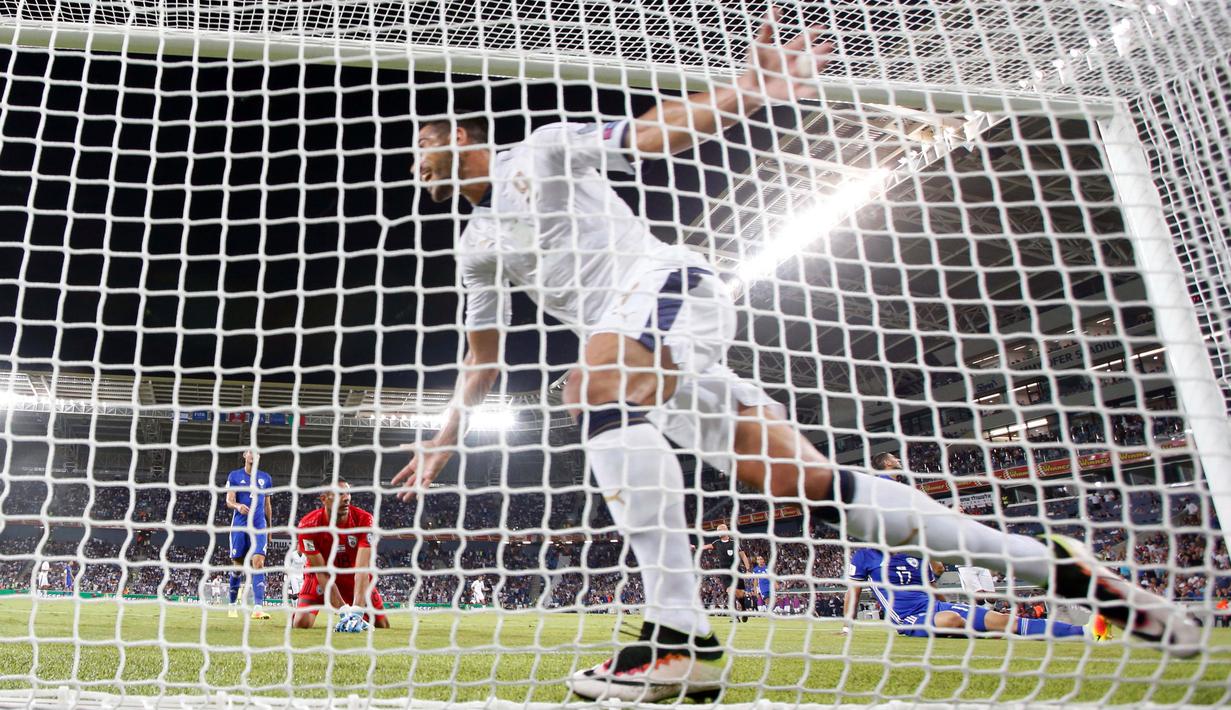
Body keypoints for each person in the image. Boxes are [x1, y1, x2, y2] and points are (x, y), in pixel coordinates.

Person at [394, 12, 1197, 702]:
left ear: (457, 135)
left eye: (420, 145)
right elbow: (482, 355)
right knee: (805, 484)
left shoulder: (539, 152)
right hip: (654, 357)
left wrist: (749, 91)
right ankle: (1053, 568)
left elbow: (645, 132)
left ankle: (679, 637)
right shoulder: (475, 247)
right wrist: (443, 435)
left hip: (667, 289)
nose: (412, 162)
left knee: (592, 386)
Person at [844, 546, 1111, 642]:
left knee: (1004, 620)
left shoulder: (915, 555)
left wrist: (947, 605)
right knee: (951, 620)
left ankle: (1086, 633)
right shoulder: (866, 556)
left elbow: (932, 588)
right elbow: (853, 592)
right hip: (907, 618)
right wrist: (848, 626)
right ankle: (977, 630)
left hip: (934, 609)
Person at [291, 478, 389, 630]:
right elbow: (321, 573)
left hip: (352, 577)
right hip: (319, 578)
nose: (346, 498)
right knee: (300, 623)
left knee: (382, 626)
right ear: (324, 499)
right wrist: (344, 611)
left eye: (348, 493)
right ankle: (300, 609)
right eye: (339, 494)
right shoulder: (307, 526)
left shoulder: (365, 520)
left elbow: (362, 570)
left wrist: (356, 611)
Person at [225, 449, 273, 620]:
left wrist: (270, 528)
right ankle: (232, 605)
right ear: (245, 456)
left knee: (258, 563)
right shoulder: (235, 476)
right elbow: (229, 500)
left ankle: (258, 608)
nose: (253, 455)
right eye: (250, 452)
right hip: (240, 525)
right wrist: (237, 506)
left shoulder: (266, 478)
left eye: (257, 453)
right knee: (238, 568)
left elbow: (268, 506)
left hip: (259, 526)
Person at [696, 523, 753, 622]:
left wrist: (748, 570)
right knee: (730, 592)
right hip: (725, 573)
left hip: (736, 571)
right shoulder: (717, 542)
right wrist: (695, 547)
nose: (718, 532)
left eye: (719, 530)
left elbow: (743, 556)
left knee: (739, 594)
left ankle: (743, 609)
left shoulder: (734, 543)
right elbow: (706, 546)